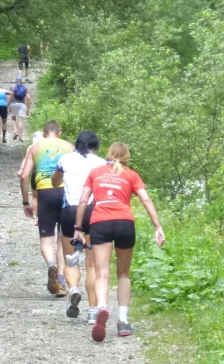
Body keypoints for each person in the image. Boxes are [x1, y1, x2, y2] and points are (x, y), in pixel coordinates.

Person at [74, 142, 165, 342]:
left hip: (100, 222)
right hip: (124, 222)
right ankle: (123, 321)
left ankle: (102, 307)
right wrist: (157, 226)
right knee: (123, 273)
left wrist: (78, 229)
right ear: (126, 157)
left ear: (109, 154)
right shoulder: (131, 175)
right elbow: (146, 200)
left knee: (102, 272)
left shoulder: (95, 172)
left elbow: (83, 201)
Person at [52, 131, 106, 322]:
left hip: (70, 211)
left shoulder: (65, 159)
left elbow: (54, 182)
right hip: (93, 211)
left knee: (71, 260)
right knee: (92, 264)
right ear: (95, 146)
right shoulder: (101, 163)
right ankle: (92, 313)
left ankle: (74, 289)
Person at [20, 120, 74, 296]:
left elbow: (24, 176)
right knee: (63, 239)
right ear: (59, 133)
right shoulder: (69, 147)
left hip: (45, 193)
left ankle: (51, 265)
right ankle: (61, 280)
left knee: (46, 239)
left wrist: (26, 202)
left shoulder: (35, 148)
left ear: (44, 133)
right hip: (66, 193)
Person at [9, 76, 31, 142]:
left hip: (14, 104)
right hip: (22, 105)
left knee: (13, 118)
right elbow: (28, 98)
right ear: (21, 81)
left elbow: (10, 96)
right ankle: (20, 137)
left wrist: (8, 105)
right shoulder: (24, 87)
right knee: (20, 120)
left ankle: (15, 131)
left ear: (16, 81)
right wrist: (28, 108)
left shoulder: (12, 87)